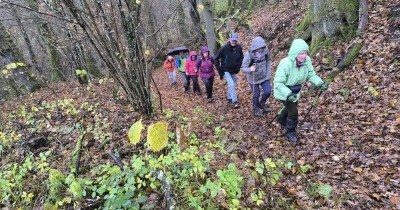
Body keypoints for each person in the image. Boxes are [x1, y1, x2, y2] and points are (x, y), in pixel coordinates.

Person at [273, 39, 329, 143]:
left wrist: (320, 83)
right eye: (301, 53)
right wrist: (288, 94)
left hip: (295, 92)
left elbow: (311, 74)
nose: (304, 56)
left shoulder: (306, 61)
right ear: (295, 53)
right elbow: (278, 83)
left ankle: (281, 120)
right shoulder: (285, 64)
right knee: (294, 112)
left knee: (289, 109)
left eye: (305, 53)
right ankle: (290, 132)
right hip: (283, 92)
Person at [241, 36, 272, 117]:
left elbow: (268, 60)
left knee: (268, 91)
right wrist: (250, 69)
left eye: (261, 47)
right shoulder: (249, 54)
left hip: (264, 76)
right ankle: (256, 108)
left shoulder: (265, 50)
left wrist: (268, 73)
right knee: (256, 94)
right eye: (258, 48)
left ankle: (262, 103)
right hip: (253, 78)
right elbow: (243, 68)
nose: (260, 49)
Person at [215, 32, 244, 108]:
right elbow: (216, 58)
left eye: (235, 40)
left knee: (232, 85)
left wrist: (238, 66)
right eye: (232, 40)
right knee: (231, 85)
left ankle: (229, 97)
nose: (234, 41)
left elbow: (241, 57)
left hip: (234, 70)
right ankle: (235, 101)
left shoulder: (239, 48)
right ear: (230, 39)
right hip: (226, 70)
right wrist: (220, 70)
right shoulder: (224, 48)